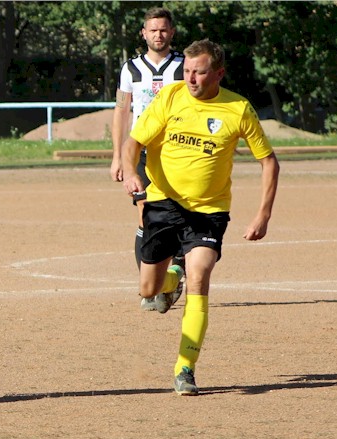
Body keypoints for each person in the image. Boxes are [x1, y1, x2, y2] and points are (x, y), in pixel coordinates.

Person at [120, 39, 279, 395]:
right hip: (162, 203)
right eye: (187, 71)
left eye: (200, 71)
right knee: (149, 291)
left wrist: (263, 215)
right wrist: (132, 173)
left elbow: (268, 161)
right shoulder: (170, 97)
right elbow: (133, 144)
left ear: (218, 73)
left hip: (208, 212)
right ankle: (170, 278)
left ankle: (185, 369)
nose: (191, 78)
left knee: (201, 276)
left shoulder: (238, 109)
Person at [109, 7, 186, 312]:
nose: (158, 35)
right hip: (142, 152)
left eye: (163, 29)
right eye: (152, 30)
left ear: (172, 32)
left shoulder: (184, 66)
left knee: (180, 214)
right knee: (145, 214)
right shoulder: (130, 70)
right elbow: (120, 110)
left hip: (178, 153)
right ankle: (149, 287)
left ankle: (175, 270)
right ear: (143, 33)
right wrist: (117, 156)